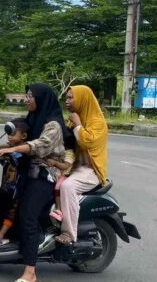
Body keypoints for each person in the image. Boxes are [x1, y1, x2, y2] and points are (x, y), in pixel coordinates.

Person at [0, 83, 67, 282]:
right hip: (28, 172)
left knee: (28, 216)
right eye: (26, 96)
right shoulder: (33, 118)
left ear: (41, 99)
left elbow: (39, 145)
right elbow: (19, 139)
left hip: (44, 175)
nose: (26, 99)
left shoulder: (53, 125)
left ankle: (30, 273)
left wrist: (11, 150)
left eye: (30, 96)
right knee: (6, 201)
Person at [55, 85, 109, 245]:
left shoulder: (98, 122)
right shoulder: (73, 119)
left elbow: (86, 143)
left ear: (83, 99)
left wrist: (78, 124)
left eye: (71, 98)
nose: (67, 101)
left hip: (91, 170)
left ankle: (68, 234)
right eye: (66, 98)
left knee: (68, 187)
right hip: (75, 167)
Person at [0, 118, 29, 248]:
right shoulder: (9, 147)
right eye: (9, 133)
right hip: (5, 187)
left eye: (13, 134)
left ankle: (2, 234)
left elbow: (15, 154)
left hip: (16, 190)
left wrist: (2, 151)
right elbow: (4, 149)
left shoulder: (23, 151)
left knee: (11, 212)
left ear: (24, 136)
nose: (9, 136)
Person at [47, 128, 76, 223]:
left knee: (57, 187)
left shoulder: (69, 153)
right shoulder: (61, 150)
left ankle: (58, 209)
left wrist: (55, 163)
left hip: (65, 175)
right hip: (58, 173)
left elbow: (66, 166)